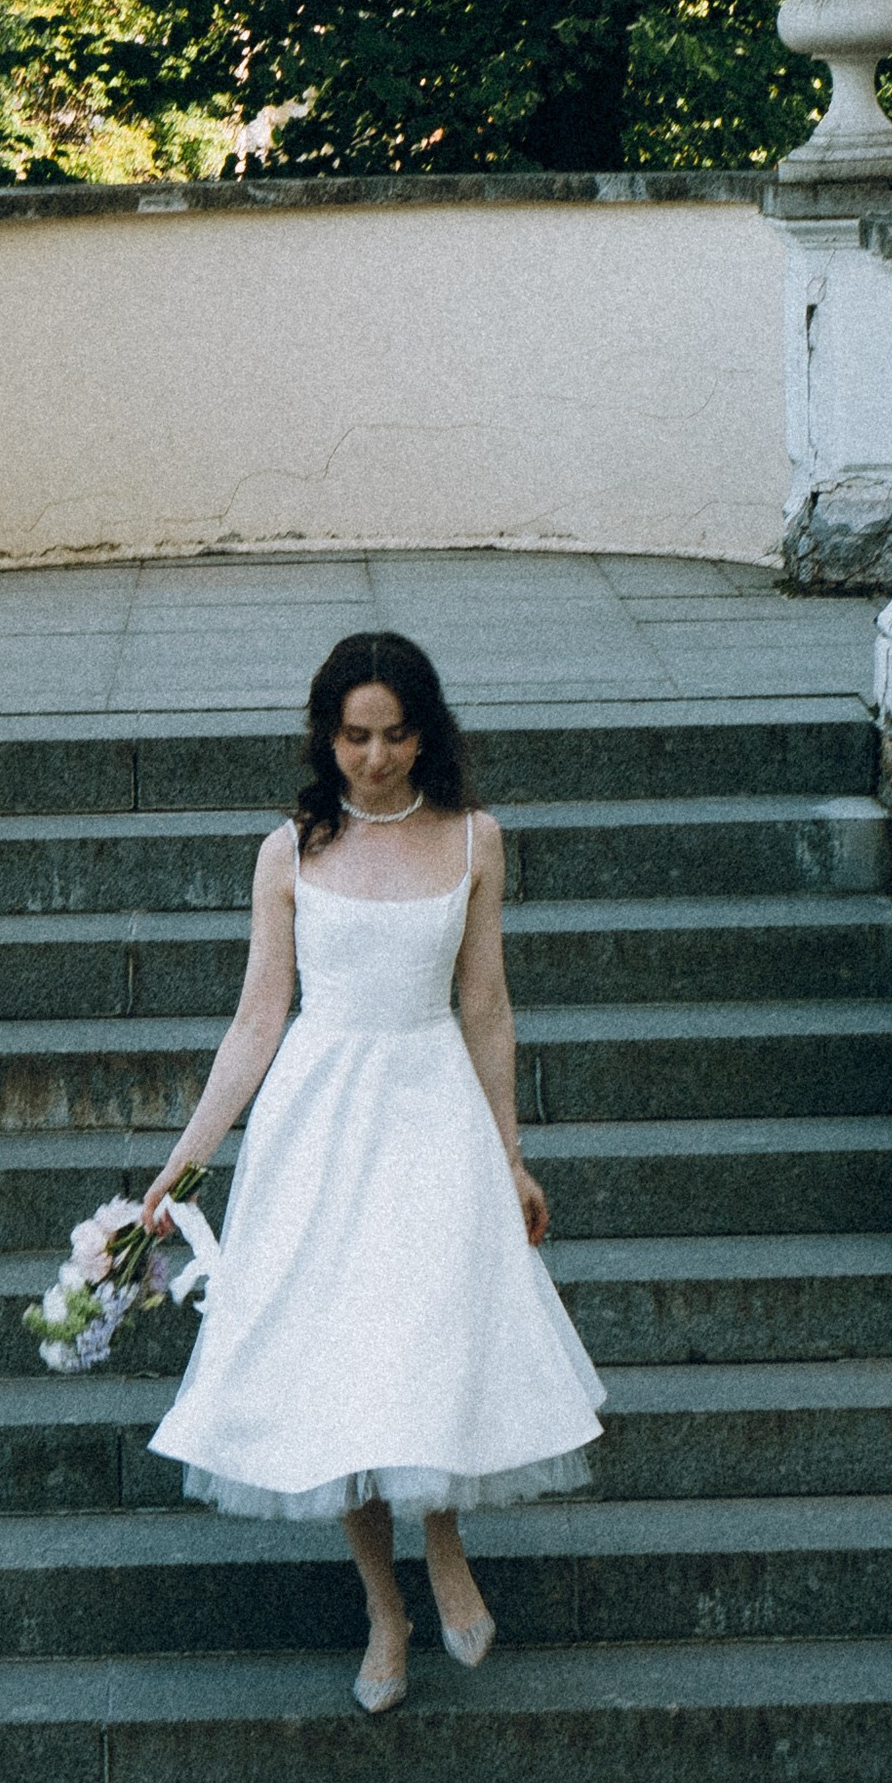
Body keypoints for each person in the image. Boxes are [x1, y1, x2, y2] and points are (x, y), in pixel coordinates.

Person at [142, 633, 606, 1713]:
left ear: (424, 733)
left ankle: (442, 1545)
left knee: (424, 1340)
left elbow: (484, 1006)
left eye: (395, 735)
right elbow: (259, 1019)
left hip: (432, 1110)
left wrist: (510, 1155)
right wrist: (184, 1165)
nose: (375, 757)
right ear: (326, 736)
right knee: (338, 1364)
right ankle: (383, 1613)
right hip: (319, 1121)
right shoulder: (289, 852)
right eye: (355, 736)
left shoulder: (474, 841)